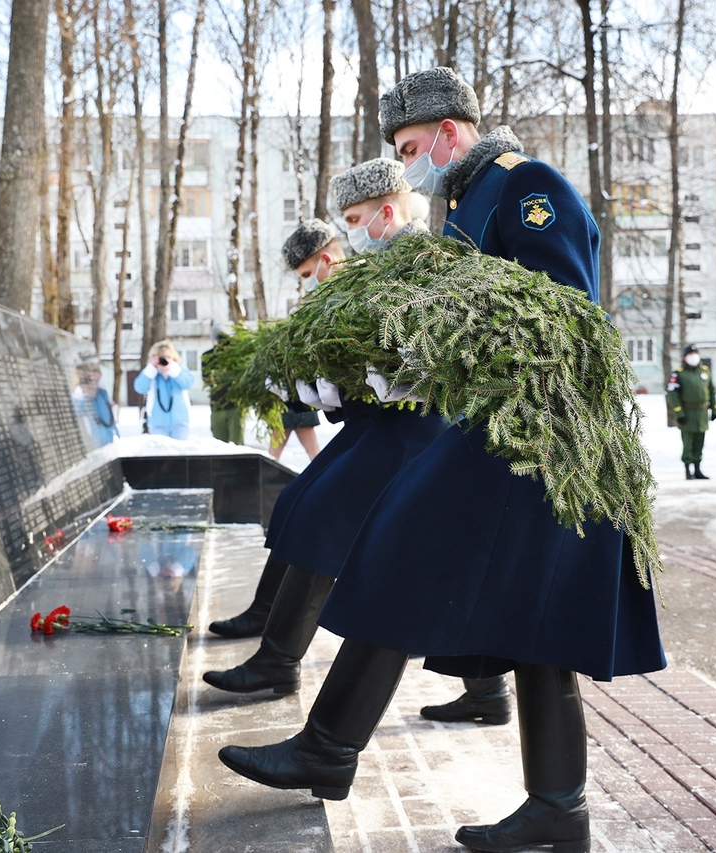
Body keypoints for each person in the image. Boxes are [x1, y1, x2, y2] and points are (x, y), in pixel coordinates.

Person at [218, 67, 666, 853]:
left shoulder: (529, 185)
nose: (408, 161)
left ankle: (330, 746)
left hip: (544, 439)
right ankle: (558, 810)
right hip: (502, 430)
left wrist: (435, 361)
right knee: (534, 624)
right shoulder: (464, 204)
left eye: (411, 146)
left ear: (451, 133)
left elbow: (556, 305)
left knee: (408, 554)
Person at [203, 159, 449, 698]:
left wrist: (391, 375)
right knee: (304, 505)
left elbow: (433, 349)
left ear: (387, 211)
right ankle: (486, 692)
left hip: (414, 430)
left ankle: (278, 657)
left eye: (355, 218)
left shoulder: (423, 260)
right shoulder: (377, 266)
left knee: (321, 513)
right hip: (380, 427)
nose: (349, 232)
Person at [207, 219, 354, 639]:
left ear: (326, 258)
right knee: (297, 502)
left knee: (314, 510)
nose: (307, 285)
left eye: (307, 275)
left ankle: (278, 648)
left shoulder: (360, 293)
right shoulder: (331, 302)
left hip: (396, 435)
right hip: (365, 430)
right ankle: (267, 623)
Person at [667, 342, 716, 480]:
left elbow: (711, 391)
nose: (693, 357)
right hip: (688, 413)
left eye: (695, 354)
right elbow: (673, 394)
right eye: (690, 354)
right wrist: (679, 413)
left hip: (702, 413)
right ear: (684, 357)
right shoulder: (679, 374)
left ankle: (698, 469)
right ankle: (688, 470)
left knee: (699, 442)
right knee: (688, 443)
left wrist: (714, 409)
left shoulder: (705, 371)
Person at [132, 340, 194, 440]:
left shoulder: (179, 369)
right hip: (157, 422)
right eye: (160, 358)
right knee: (161, 454)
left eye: (166, 357)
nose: (163, 361)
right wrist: (151, 368)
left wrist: (172, 368)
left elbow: (187, 383)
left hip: (180, 421)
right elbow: (139, 387)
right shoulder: (151, 373)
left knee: (180, 453)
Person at [203, 326, 244, 445]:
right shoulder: (208, 356)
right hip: (217, 406)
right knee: (219, 445)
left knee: (237, 445)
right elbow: (207, 378)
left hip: (235, 406)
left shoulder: (236, 355)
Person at [72, 357, 119, 448]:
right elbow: (76, 415)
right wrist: (83, 392)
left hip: (108, 441)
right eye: (88, 375)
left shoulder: (102, 393)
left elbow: (109, 417)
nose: (92, 378)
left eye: (95, 373)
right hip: (91, 446)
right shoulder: (77, 396)